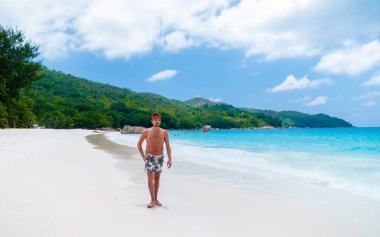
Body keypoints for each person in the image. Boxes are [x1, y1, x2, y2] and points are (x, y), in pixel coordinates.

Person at [137, 113, 172, 208]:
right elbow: (139, 144)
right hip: (149, 157)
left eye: (159, 120)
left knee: (157, 178)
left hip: (160, 158)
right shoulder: (146, 132)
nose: (157, 121)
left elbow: (168, 146)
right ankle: (152, 200)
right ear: (152, 121)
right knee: (149, 177)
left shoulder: (164, 132)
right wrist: (144, 157)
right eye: (155, 119)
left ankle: (156, 199)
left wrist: (170, 159)